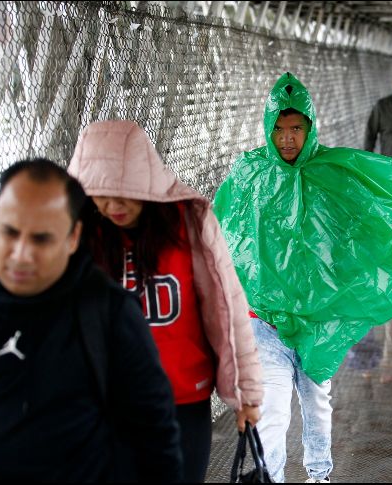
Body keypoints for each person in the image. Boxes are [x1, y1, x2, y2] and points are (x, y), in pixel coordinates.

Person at [214, 72, 392, 483]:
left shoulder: (332, 173)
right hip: (264, 322)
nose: (287, 138)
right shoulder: (250, 174)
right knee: (272, 412)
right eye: (279, 129)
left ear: (309, 128)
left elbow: (368, 218)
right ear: (267, 128)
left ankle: (318, 473)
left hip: (318, 322)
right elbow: (224, 231)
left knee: (316, 403)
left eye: (296, 129)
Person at [0, 159, 182, 482]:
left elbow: (154, 437)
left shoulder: (108, 312)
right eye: (10, 232)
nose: (21, 253)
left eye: (41, 239)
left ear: (73, 237)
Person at [67, 120, 263, 483]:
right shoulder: (80, 236)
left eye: (123, 191)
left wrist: (246, 392)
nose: (113, 205)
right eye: (100, 193)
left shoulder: (187, 222)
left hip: (182, 404)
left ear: (145, 178)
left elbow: (228, 309)